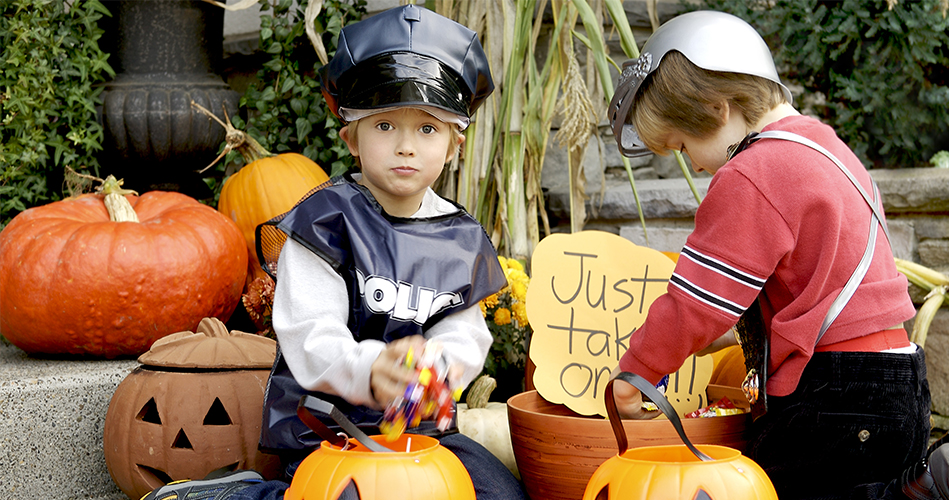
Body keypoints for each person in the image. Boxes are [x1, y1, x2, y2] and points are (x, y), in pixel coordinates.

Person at [141, 5, 525, 500]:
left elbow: (466, 333)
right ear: (352, 139)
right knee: (350, 496)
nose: (406, 146)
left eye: (426, 129)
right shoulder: (326, 222)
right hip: (328, 426)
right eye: (385, 126)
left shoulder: (460, 236)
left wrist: (432, 364)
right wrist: (373, 369)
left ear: (453, 146)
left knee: (501, 495)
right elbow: (311, 335)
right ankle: (231, 496)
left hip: (423, 430)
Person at [605, 10, 948, 500]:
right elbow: (817, 285)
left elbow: (695, 303)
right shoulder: (828, 151)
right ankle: (923, 486)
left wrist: (636, 371)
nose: (695, 165)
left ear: (716, 108)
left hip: (835, 394)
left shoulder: (752, 171)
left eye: (683, 145)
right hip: (899, 382)